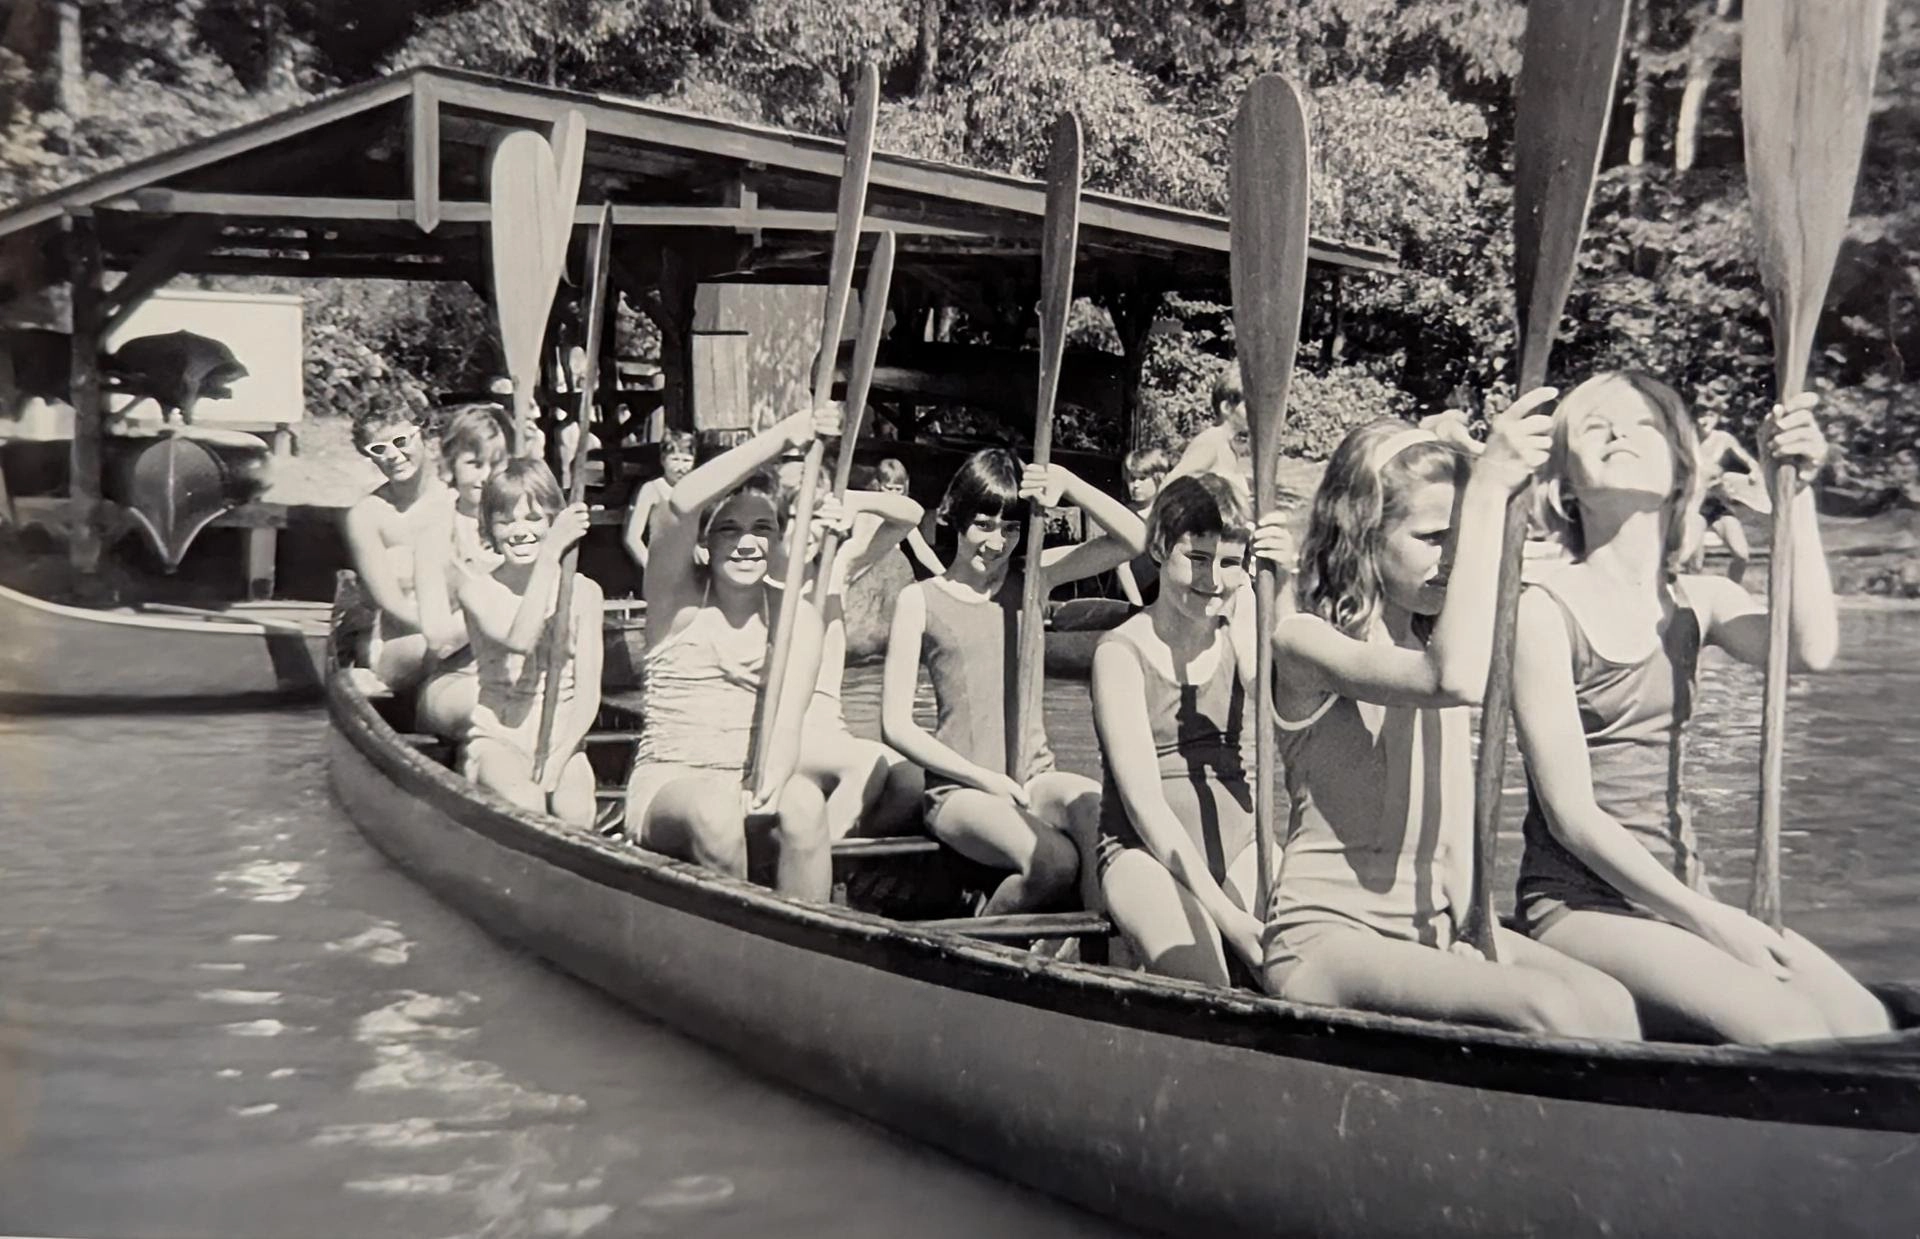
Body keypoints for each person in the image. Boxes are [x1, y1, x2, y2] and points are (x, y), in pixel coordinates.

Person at [1510, 373, 1890, 1045]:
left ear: (1683, 472)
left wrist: (1791, 492)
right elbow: (1572, 818)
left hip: (1685, 895)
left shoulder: (1700, 598)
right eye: (1595, 425)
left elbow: (1810, 648)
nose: (1619, 431)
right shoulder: (1543, 607)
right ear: (1564, 481)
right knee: (1793, 1028)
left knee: (1866, 1023)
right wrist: (1713, 922)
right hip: (1582, 905)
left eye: (1643, 423)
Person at [1258, 398, 1640, 1040]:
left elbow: (1454, 832)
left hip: (1429, 927)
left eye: (1461, 541)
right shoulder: (1303, 642)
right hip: (1325, 940)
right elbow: (1450, 679)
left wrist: (1475, 926)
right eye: (1434, 539)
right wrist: (1487, 485)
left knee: (1609, 1004)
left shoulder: (1438, 639)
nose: (1452, 559)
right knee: (1549, 1011)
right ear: (1364, 535)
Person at [880, 449, 1148, 916]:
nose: (996, 542)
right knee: (1054, 862)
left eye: (1010, 528)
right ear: (952, 516)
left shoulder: (1033, 585)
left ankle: (1090, 955)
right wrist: (983, 778)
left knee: (1098, 815)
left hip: (1034, 777)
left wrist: (1069, 483)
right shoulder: (918, 600)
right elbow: (896, 726)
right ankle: (985, 951)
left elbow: (1137, 540)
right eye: (983, 524)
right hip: (960, 790)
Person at [622, 405, 838, 901]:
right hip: (671, 785)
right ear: (703, 545)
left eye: (762, 528)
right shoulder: (674, 599)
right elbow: (678, 504)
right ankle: (743, 947)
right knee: (715, 811)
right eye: (728, 530)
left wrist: (768, 787)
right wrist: (785, 435)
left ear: (779, 538)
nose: (747, 544)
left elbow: (786, 724)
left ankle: (811, 949)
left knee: (805, 802)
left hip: (749, 781)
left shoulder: (797, 618)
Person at [1091, 472, 1266, 983]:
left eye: (1230, 563)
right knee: (1209, 982)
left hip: (1242, 846)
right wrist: (1230, 918)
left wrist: (1269, 598)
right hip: (1144, 853)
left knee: (1306, 969)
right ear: (1161, 547)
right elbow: (1145, 808)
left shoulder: (1241, 632)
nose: (1214, 580)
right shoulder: (1119, 654)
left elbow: (1285, 716)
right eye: (1199, 559)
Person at [454, 458, 602, 826]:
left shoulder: (584, 592)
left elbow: (587, 694)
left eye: (533, 519)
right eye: (506, 521)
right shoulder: (477, 588)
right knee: (529, 804)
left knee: (578, 816)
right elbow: (520, 639)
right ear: (489, 527)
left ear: (554, 520)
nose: (520, 532)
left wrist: (559, 757)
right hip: (498, 740)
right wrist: (551, 553)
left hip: (562, 742)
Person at [790, 482, 927, 840]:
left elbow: (911, 516)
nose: (809, 529)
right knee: (867, 766)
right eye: (798, 517)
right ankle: (813, 868)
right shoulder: (763, 576)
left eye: (818, 518)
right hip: (787, 732)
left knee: (913, 780)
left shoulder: (839, 567)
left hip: (831, 729)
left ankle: (844, 859)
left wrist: (854, 500)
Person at [414, 403, 511, 738]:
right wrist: (500, 598)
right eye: (474, 464)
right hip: (458, 681)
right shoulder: (435, 535)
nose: (486, 476)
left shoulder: (521, 530)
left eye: (496, 464)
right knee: (492, 702)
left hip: (519, 677)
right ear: (451, 464)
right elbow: (439, 639)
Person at [341, 402, 448, 693]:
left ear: (427, 438)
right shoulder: (367, 516)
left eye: (401, 442)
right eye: (378, 449)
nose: (392, 455)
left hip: (462, 631)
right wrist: (448, 634)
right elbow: (391, 603)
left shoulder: (456, 500)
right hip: (400, 638)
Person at [1686, 409, 1762, 585]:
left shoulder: (1724, 439)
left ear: (1718, 418)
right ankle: (1688, 602)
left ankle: (1733, 591)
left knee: (1742, 555)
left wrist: (1754, 473)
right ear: (1694, 418)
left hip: (1717, 504)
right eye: (1701, 415)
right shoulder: (1687, 439)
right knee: (1693, 562)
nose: (1705, 420)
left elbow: (1750, 461)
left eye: (1711, 415)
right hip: (1694, 505)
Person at [1168, 365, 1253, 502]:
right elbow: (1170, 488)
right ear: (1226, 408)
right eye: (1249, 406)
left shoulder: (1228, 445)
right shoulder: (1211, 443)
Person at [621, 431, 696, 573]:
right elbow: (632, 537)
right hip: (661, 563)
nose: (681, 467)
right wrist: (651, 568)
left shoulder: (695, 489)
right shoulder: (652, 489)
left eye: (686, 460)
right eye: (675, 460)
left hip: (691, 567)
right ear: (663, 460)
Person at [1113, 446, 1171, 606]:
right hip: (1133, 598)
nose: (1135, 485)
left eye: (1142, 478)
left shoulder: (1169, 514)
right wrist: (1138, 606)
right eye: (1132, 478)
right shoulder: (1124, 514)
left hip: (1166, 599)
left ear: (1159, 477)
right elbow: (1121, 567)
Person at [875, 457, 945, 577]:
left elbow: (921, 548)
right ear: (878, 484)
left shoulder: (901, 513)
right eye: (889, 488)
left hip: (890, 570)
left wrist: (945, 576)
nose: (893, 494)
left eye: (898, 489)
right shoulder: (870, 508)